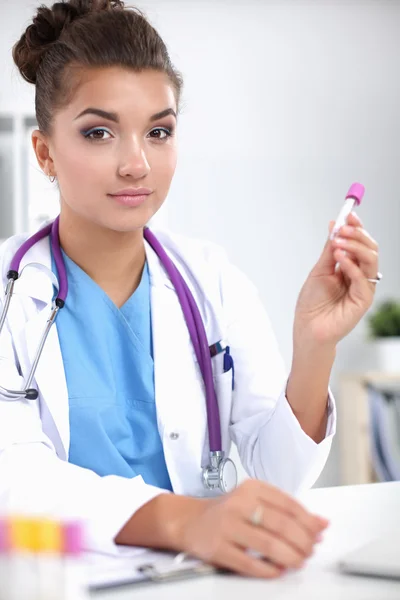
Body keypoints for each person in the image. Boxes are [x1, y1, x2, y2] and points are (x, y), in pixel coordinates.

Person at [0, 0, 380, 579]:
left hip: (192, 580)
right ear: (45, 152)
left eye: (159, 131)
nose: (136, 164)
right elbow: (14, 479)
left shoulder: (212, 281)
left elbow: (275, 477)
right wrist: (185, 520)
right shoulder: (10, 293)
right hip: (47, 578)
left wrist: (316, 345)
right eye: (99, 132)